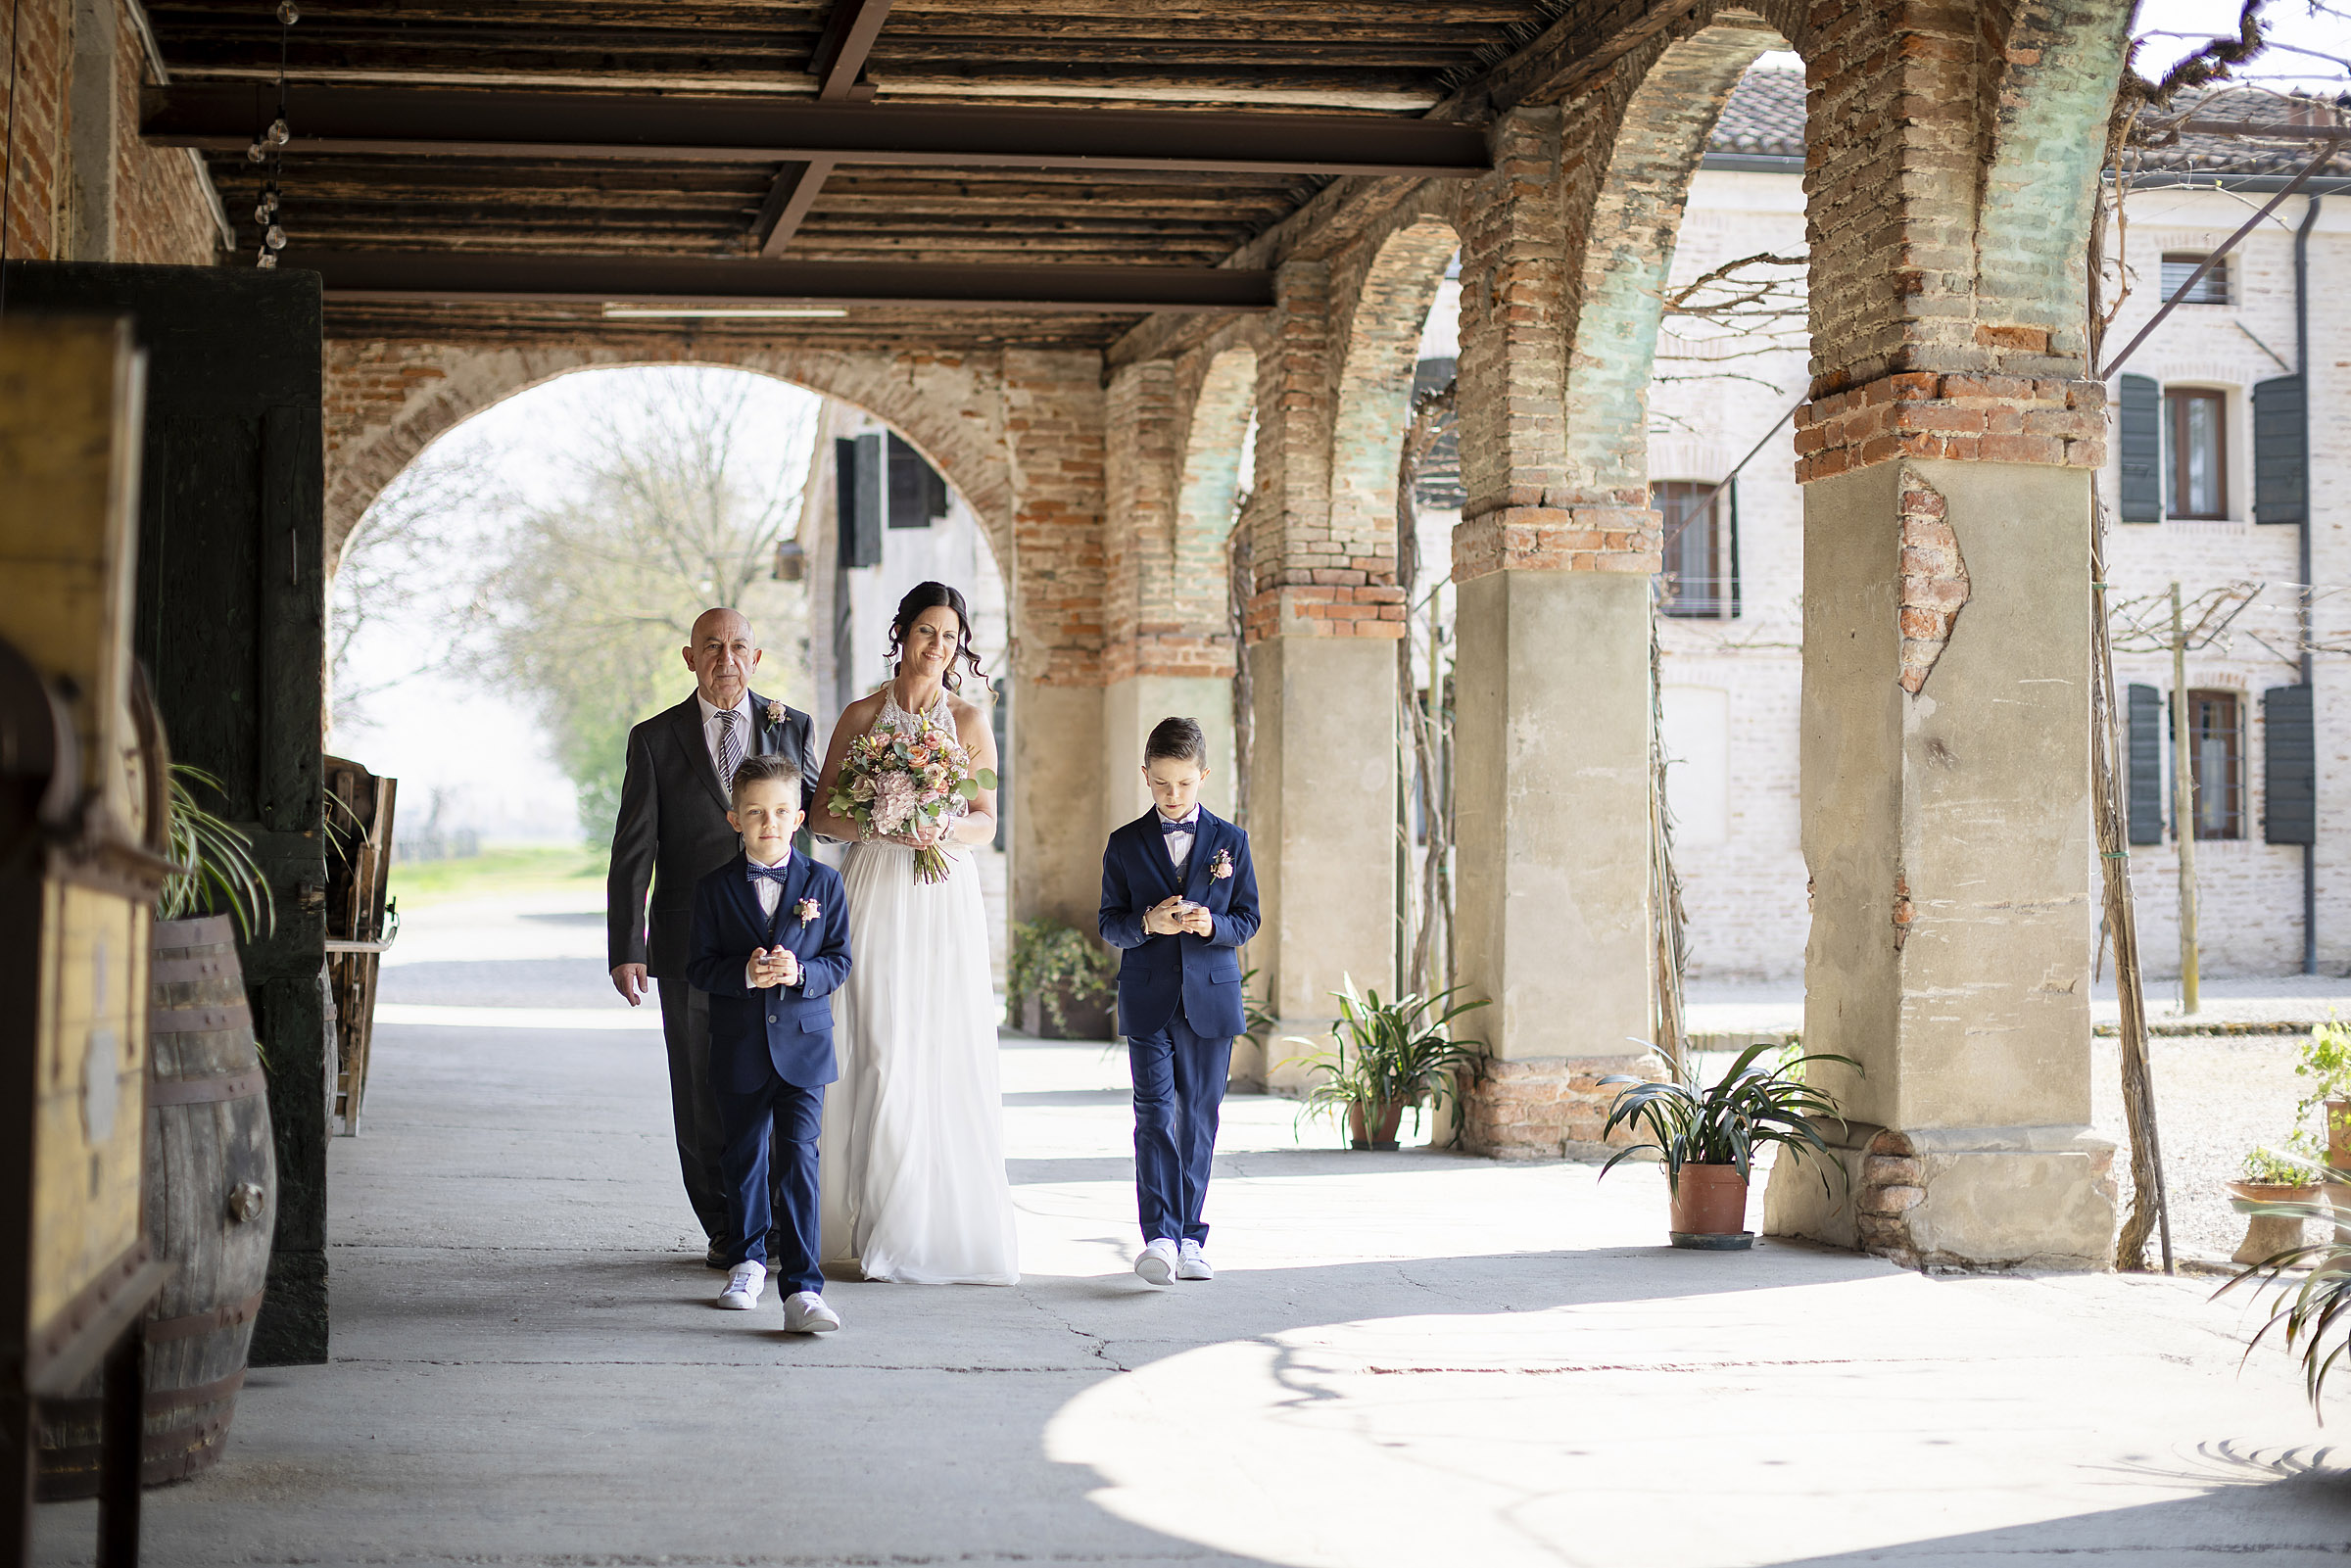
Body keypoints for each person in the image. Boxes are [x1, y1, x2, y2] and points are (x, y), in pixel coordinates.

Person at [808, 582, 1019, 1285]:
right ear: (901, 632)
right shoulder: (863, 713)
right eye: (927, 631)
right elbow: (819, 816)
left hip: (941, 894)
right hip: (875, 888)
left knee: (938, 1050)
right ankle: (868, 1225)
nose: (938, 646)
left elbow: (987, 821)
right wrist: (878, 818)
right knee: (879, 1048)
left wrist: (940, 826)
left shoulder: (968, 719)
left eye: (951, 636)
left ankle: (928, 1226)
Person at [608, 608, 820, 1268]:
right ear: (689, 657)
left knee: (779, 1077)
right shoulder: (654, 738)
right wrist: (627, 944)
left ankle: (780, 1228)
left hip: (779, 934)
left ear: (755, 657)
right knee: (702, 1086)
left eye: (737, 646)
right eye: (711, 646)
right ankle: (726, 1225)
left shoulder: (794, 726)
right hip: (690, 940)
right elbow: (633, 849)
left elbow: (816, 824)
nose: (725, 657)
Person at [685, 754, 850, 1331]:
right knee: (744, 1155)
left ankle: (804, 1288)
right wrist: (743, 974)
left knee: (800, 1159)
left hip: (804, 1046)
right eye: (755, 812)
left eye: (781, 812)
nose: (768, 823)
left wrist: (800, 973)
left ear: (800, 816)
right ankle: (748, 1260)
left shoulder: (825, 883)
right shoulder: (714, 889)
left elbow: (840, 962)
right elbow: (698, 967)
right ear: (735, 818)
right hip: (740, 1045)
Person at [1097, 716, 1260, 1287]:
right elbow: (1110, 924)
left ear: (1203, 776)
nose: (1172, 795)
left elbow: (1248, 919)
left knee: (1199, 1120)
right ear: (1145, 776)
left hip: (1211, 1003)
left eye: (1184, 784)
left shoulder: (1231, 842)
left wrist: (1212, 922)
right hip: (1147, 1000)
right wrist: (1148, 922)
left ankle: (1192, 1236)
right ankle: (1159, 1237)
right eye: (1162, 783)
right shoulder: (1123, 844)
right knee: (1154, 1116)